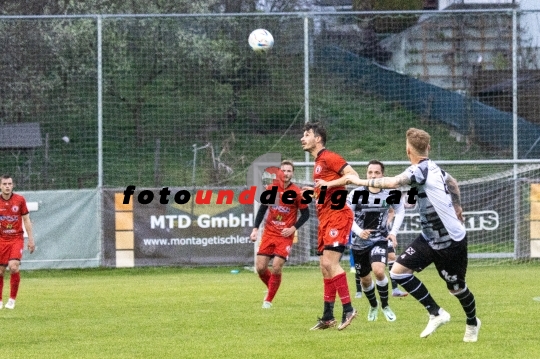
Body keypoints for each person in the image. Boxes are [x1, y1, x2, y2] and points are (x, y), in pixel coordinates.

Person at [317, 128, 480, 342]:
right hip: (429, 237)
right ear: (428, 147)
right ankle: (436, 313)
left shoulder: (421, 169)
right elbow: (452, 181)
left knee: (456, 288)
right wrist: (458, 206)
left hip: (451, 241)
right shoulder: (431, 167)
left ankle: (472, 322)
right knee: (398, 272)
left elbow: (393, 183)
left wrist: (358, 182)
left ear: (407, 150)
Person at [301, 121, 358, 331]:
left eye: (306, 134)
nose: (302, 138)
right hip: (325, 219)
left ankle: (349, 309)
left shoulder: (330, 157)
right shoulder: (319, 162)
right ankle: (327, 316)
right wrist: (316, 191)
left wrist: (328, 184)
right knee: (324, 267)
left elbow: (353, 176)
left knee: (331, 264)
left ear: (317, 138)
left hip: (337, 215)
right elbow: (326, 188)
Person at [347, 160, 405, 322]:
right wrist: (359, 231)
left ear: (382, 175)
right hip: (359, 243)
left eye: (377, 173)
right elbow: (347, 216)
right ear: (366, 174)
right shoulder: (356, 193)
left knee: (379, 271)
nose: (373, 175)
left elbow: (400, 211)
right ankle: (374, 305)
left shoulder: (389, 193)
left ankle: (385, 305)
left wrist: (393, 232)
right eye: (370, 172)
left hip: (379, 239)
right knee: (365, 279)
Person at [250, 160, 310, 309]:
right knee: (260, 267)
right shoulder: (271, 189)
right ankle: (272, 286)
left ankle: (268, 300)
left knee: (276, 266)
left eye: (289, 171)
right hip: (269, 233)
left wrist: (293, 228)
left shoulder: (297, 192)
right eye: (283, 170)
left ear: (292, 173)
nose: (286, 173)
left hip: (285, 235)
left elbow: (306, 214)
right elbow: (262, 210)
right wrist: (255, 228)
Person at [0, 175, 36, 309]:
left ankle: (12, 300)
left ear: (13, 185)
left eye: (9, 183)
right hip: (1, 239)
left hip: (16, 238)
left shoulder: (19, 200)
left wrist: (31, 239)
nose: (7, 186)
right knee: (0, 271)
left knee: (13, 266)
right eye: (4, 184)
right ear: (0, 186)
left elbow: (26, 220)